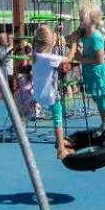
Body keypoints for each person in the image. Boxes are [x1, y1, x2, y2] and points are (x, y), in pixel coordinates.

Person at [72, 3, 105, 138]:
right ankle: (104, 124)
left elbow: (99, 59)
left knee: (103, 103)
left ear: (92, 20)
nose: (81, 20)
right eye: (80, 18)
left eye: (84, 18)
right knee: (98, 101)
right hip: (90, 72)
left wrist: (81, 58)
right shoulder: (84, 32)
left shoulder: (95, 37)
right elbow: (71, 38)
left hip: (98, 73)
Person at [30, 27, 70, 159]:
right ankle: (61, 148)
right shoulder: (49, 57)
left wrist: (56, 32)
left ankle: (61, 141)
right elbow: (68, 58)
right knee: (58, 119)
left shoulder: (35, 54)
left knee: (57, 116)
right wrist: (73, 44)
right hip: (50, 95)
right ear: (51, 43)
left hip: (38, 94)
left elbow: (45, 41)